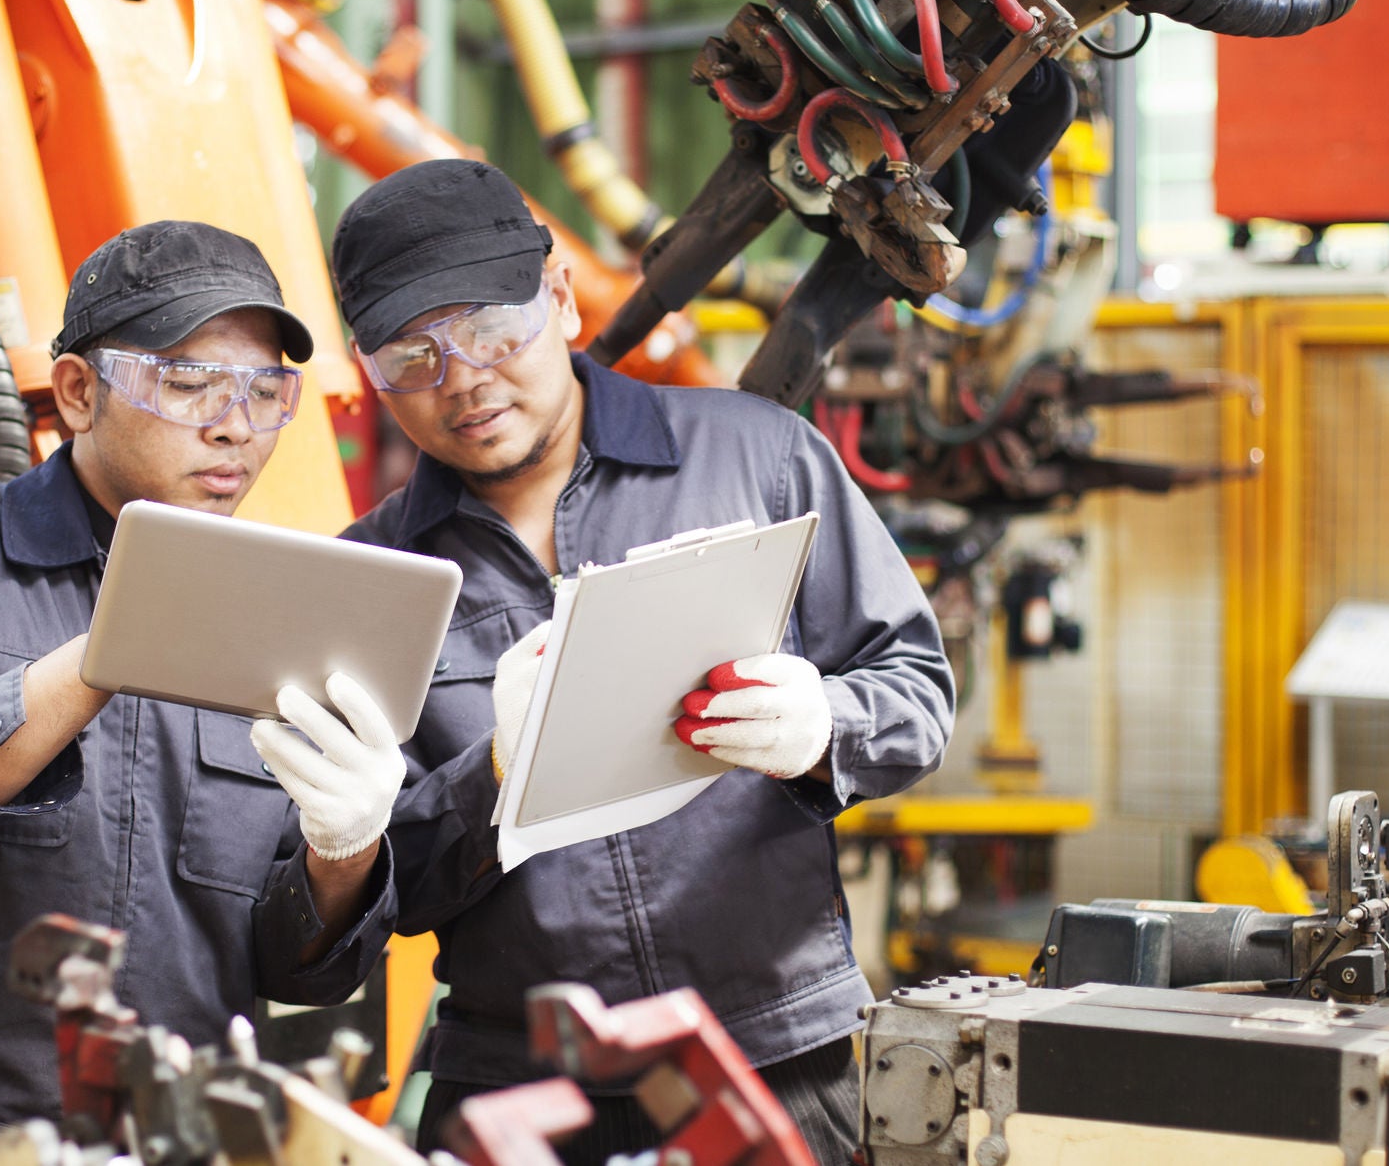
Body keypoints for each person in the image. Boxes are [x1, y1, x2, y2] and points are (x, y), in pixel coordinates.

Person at [331, 160, 954, 1166]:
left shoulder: (755, 457)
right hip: (516, 1093)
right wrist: (487, 775)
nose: (465, 381)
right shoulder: (369, 581)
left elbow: (914, 689)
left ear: (563, 301)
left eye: (493, 329)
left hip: (776, 1064)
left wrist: (823, 727)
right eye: (412, 358)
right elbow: (380, 890)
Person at [0, 222, 404, 1166]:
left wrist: (344, 853)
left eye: (264, 392)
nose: (232, 424)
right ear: (78, 391)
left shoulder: (287, 616)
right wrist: (105, 651)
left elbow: (293, 968)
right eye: (189, 383)